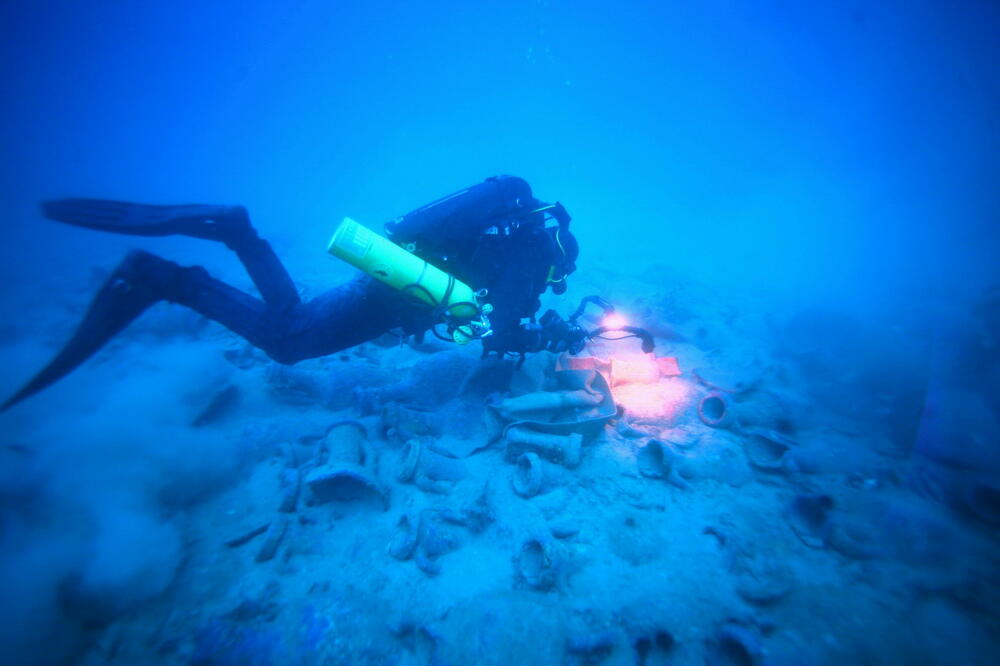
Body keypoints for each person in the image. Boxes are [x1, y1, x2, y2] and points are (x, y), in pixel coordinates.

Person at [1, 176, 580, 411]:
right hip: (391, 295)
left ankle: (235, 230)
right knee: (287, 342)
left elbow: (479, 314)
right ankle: (170, 278)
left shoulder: (515, 234)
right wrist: (545, 332)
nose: (549, 288)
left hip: (395, 277)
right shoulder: (530, 260)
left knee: (292, 319)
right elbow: (501, 332)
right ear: (557, 263)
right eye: (556, 281)